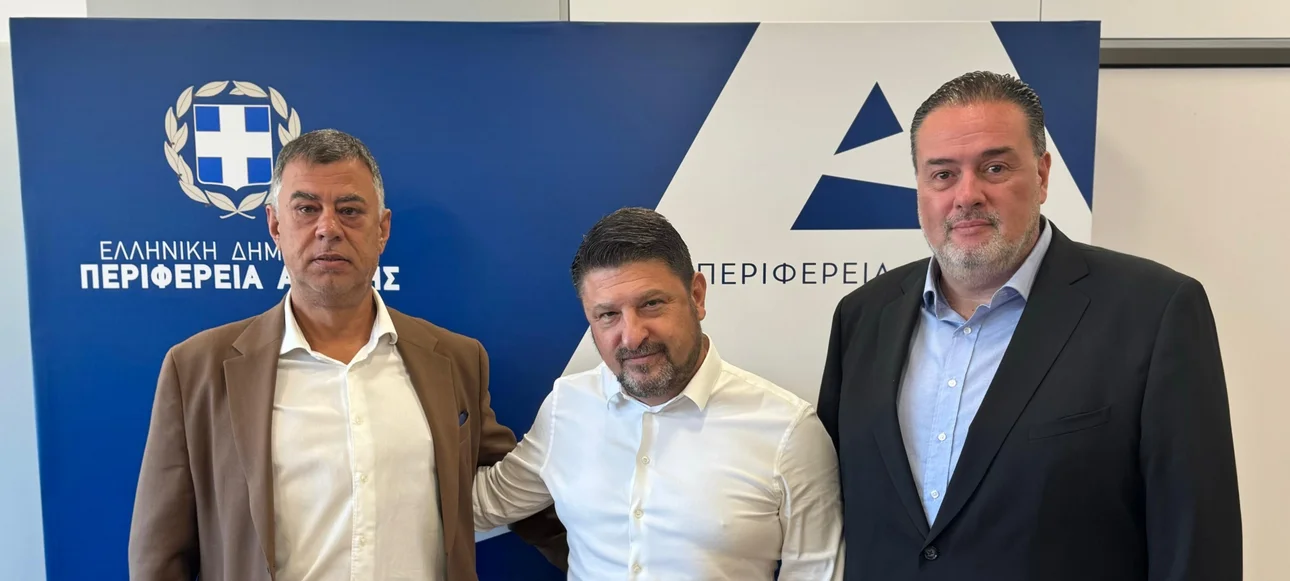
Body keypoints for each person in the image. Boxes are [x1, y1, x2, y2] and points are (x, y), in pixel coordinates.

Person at [817, 70, 1242, 580]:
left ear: (1042, 175)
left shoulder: (1154, 312)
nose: (967, 195)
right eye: (943, 174)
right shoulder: (863, 316)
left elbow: (1195, 538)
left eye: (994, 168)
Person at [128, 129, 566, 581]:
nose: (328, 228)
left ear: (382, 229)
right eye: (306, 209)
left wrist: (604, 555)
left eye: (350, 210)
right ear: (275, 225)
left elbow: (516, 490)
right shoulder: (197, 369)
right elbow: (161, 555)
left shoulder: (456, 360)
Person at [472, 207, 843, 579]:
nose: (632, 336)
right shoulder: (566, 405)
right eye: (608, 315)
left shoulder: (788, 431)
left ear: (697, 296)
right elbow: (484, 505)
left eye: (651, 304)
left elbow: (816, 571)